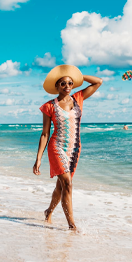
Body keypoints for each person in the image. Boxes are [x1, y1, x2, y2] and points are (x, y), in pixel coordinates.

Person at [33, 65, 102, 230]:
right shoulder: (49, 106)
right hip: (56, 147)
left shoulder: (78, 98)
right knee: (68, 184)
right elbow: (45, 134)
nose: (67, 86)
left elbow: (98, 82)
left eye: (70, 83)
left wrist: (78, 76)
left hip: (74, 149)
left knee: (61, 186)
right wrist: (38, 159)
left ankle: (48, 211)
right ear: (56, 86)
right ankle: (72, 226)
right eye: (63, 83)